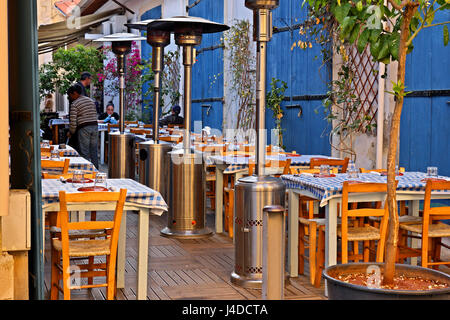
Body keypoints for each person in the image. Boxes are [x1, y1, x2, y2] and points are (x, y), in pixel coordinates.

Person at [67, 84, 99, 169]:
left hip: (84, 128)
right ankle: (96, 172)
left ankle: (86, 172)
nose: (70, 97)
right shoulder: (90, 100)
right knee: (94, 151)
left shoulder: (74, 104)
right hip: (95, 126)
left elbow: (73, 123)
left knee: (84, 152)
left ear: (74, 93)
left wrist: (71, 132)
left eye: (70, 95)